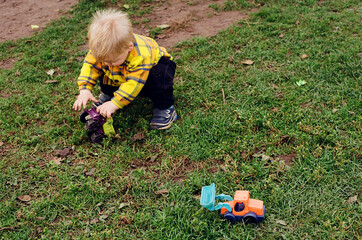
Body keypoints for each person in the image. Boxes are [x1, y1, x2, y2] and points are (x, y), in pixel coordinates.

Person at [72, 9, 177, 130]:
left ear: (129, 47)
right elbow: (90, 66)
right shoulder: (102, 50)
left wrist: (115, 103)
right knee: (107, 70)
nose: (107, 63)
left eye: (112, 61)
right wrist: (85, 89)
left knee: (159, 77)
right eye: (104, 60)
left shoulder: (140, 56)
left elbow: (134, 83)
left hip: (152, 69)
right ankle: (109, 94)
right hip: (123, 71)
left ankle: (165, 107)